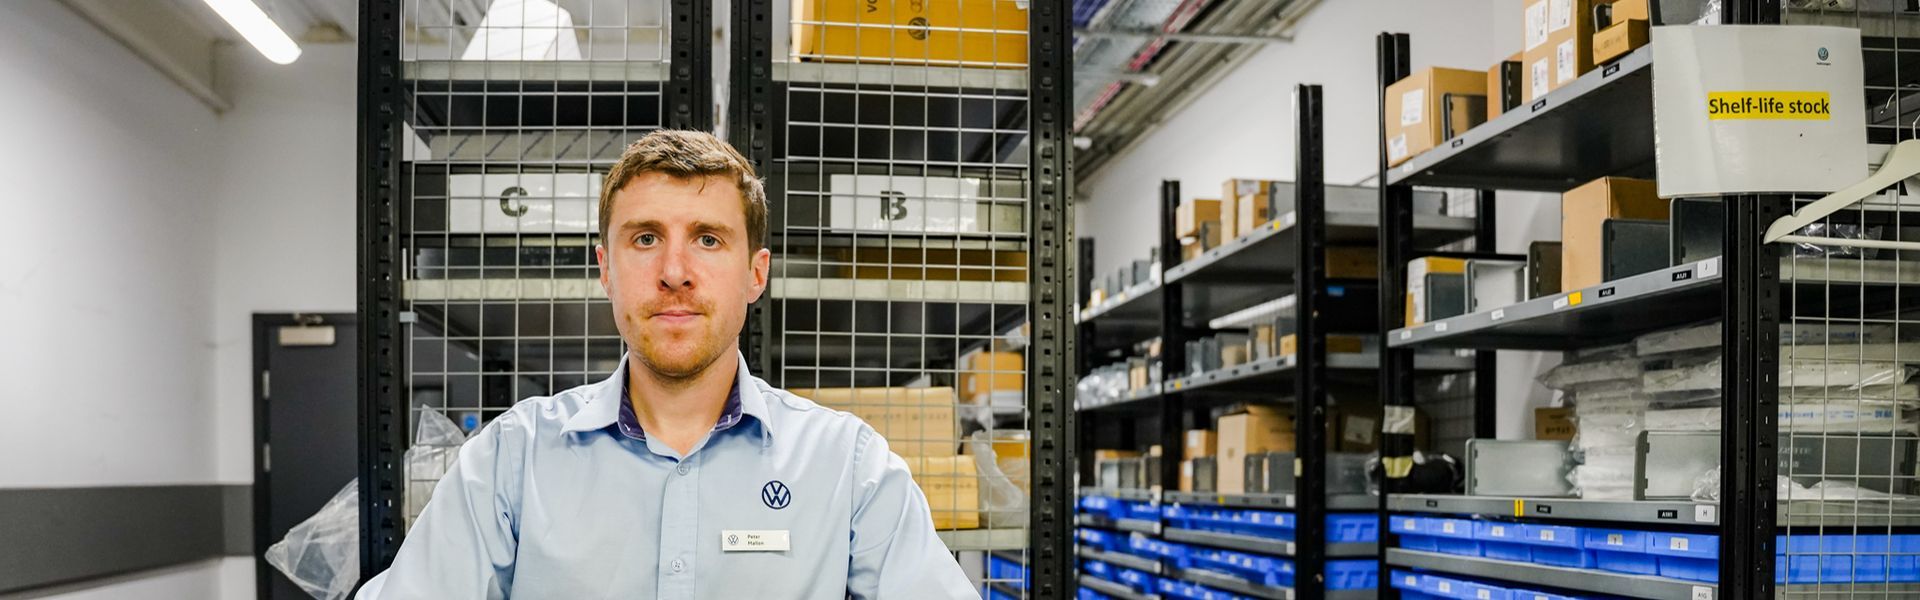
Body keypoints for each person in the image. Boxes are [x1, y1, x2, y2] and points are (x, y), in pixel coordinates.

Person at [358, 130, 978, 599]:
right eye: (646, 238)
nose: (675, 271)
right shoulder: (511, 461)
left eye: (708, 239)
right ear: (606, 269)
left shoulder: (848, 466)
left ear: (755, 274)